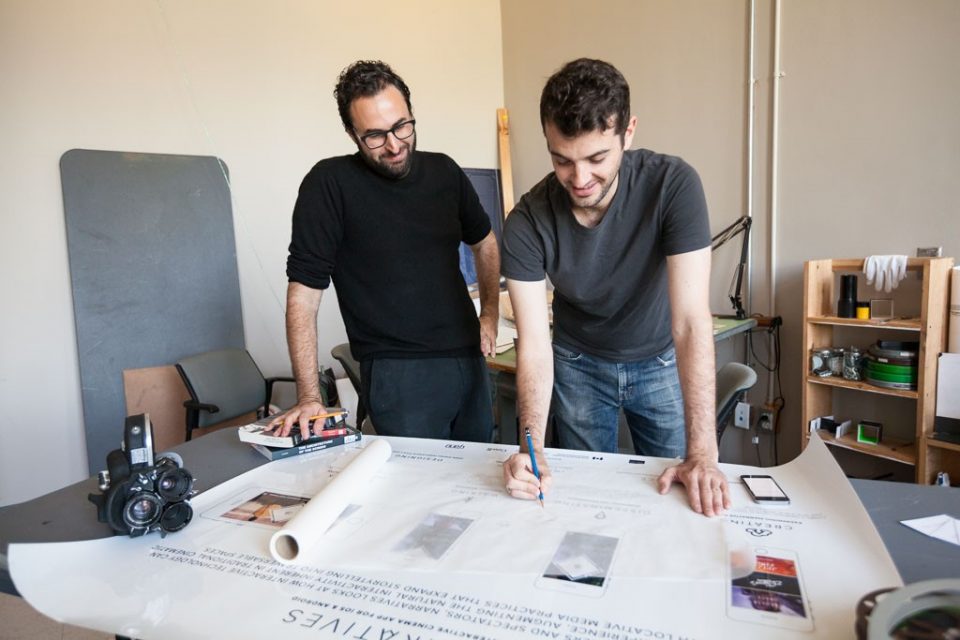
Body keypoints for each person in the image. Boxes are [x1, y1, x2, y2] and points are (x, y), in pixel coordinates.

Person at [500, 58, 729, 516]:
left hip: (660, 358)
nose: (580, 180)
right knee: (586, 496)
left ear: (628, 132)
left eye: (597, 159)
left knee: (679, 495)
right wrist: (532, 445)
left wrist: (703, 453)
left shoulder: (673, 186)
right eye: (562, 160)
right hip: (578, 365)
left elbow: (689, 321)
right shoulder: (526, 221)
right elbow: (535, 346)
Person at [271, 60, 499, 443]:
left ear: (411, 115)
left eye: (401, 126)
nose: (394, 144)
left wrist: (490, 312)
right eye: (374, 136)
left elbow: (485, 242)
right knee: (415, 492)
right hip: (398, 372)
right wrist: (309, 396)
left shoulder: (444, 171)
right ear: (351, 134)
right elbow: (304, 297)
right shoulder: (329, 184)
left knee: (474, 483)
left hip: (468, 360)